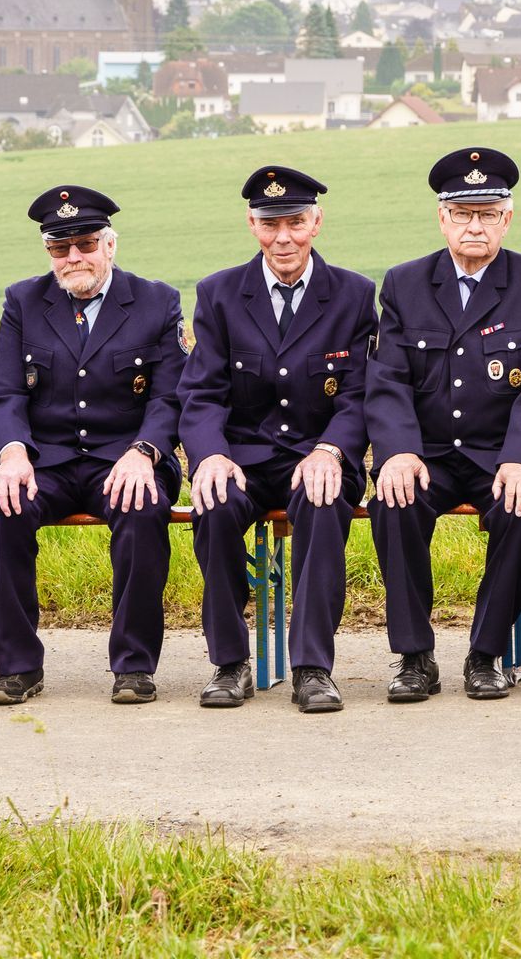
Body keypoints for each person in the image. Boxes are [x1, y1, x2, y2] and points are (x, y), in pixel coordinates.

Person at [366, 147, 521, 701]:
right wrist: (398, 452)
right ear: (442, 218)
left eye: (487, 213)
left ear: (507, 218)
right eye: (463, 213)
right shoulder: (406, 283)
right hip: (427, 453)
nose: (474, 225)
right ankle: (414, 657)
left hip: (499, 453)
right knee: (393, 502)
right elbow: (387, 380)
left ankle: (486, 654)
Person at [0, 185, 187, 706]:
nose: (73, 257)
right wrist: (13, 453)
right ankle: (18, 667)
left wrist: (145, 453)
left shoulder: (157, 301)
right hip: (46, 459)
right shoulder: (24, 301)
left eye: (86, 244)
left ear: (110, 245)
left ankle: (134, 667)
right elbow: (3, 394)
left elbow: (171, 397)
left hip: (126, 457)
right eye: (59, 247)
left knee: (142, 509)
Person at [176, 166, 377, 712]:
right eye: (269, 224)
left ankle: (312, 668)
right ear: (251, 224)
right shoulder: (219, 294)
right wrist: (210, 456)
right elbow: (201, 394)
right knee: (213, 504)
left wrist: (332, 450)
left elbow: (359, 394)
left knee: (322, 497)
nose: (282, 237)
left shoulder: (355, 295)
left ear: (317, 222)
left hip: (320, 452)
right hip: (242, 456)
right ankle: (229, 663)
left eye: (294, 222)